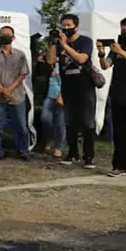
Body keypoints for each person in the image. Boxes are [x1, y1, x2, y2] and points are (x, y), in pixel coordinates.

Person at [47, 14, 96, 168]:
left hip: (85, 87)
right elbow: (50, 60)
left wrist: (65, 46)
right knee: (70, 122)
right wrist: (54, 44)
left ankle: (89, 156)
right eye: (63, 25)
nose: (66, 28)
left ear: (76, 26)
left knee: (88, 123)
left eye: (69, 25)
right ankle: (72, 153)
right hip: (68, 86)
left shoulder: (85, 41)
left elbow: (82, 59)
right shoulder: (59, 43)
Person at [98, 16, 126, 177]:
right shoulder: (118, 46)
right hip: (119, 95)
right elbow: (106, 65)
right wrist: (102, 54)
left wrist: (122, 52)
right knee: (119, 134)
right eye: (123, 30)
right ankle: (119, 166)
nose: (125, 33)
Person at [0, 26, 30, 161]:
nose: (4, 36)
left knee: (22, 126)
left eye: (7, 34)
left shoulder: (20, 54)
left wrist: (9, 89)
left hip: (17, 96)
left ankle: (23, 151)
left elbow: (23, 74)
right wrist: (2, 90)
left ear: (13, 37)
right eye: (2, 34)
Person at [40, 62, 65, 160]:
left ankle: (58, 146)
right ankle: (51, 138)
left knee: (60, 122)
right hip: (50, 94)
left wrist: (62, 94)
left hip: (64, 95)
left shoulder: (68, 62)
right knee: (45, 118)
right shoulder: (51, 63)